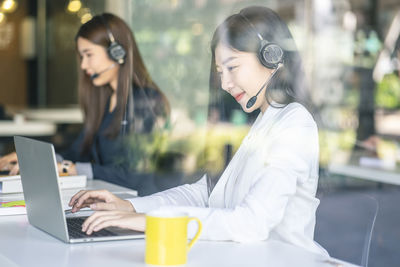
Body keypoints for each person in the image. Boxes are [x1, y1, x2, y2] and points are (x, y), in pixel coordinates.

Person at [68, 6, 327, 255]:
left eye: (232, 67)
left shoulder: (294, 123)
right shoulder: (260, 122)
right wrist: (129, 206)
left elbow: (251, 223)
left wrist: (149, 220)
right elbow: (202, 192)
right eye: (219, 72)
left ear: (271, 57)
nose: (224, 83)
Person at [0, 13, 170, 192]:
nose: (83, 65)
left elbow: (136, 175)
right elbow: (78, 152)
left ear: (117, 53)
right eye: (82, 57)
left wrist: (73, 170)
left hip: (138, 206)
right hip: (113, 200)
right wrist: (35, 160)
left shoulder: (146, 103)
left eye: (89, 55)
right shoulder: (106, 101)